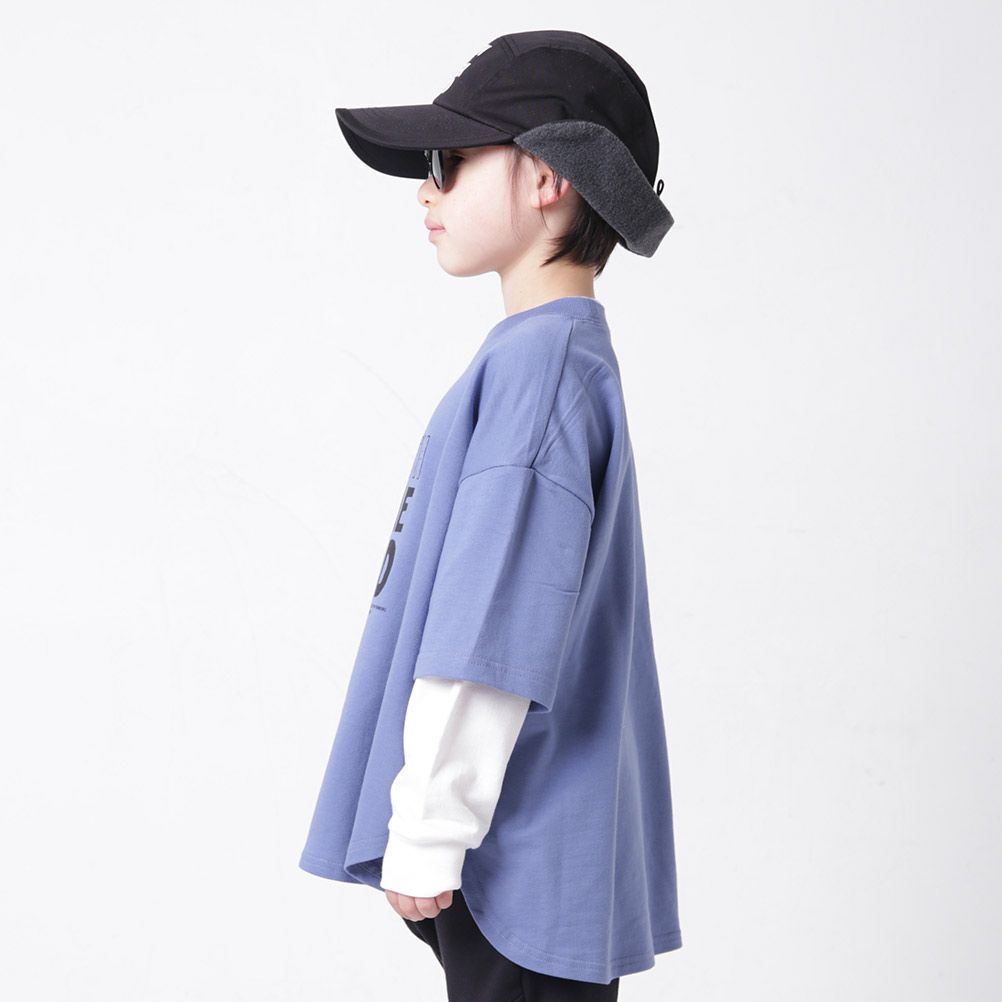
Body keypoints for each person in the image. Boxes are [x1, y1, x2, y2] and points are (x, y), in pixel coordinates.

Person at [298, 29, 682, 1002]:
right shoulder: (553, 358)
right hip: (528, 853)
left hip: (518, 860)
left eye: (448, 161)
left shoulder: (538, 373)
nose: (425, 192)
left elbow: (491, 628)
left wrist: (430, 830)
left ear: (548, 176)